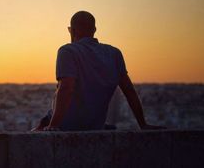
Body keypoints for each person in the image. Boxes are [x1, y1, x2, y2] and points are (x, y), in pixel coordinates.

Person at [32, 11, 164, 131]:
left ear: (72, 30)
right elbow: (129, 92)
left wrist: (53, 125)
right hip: (95, 125)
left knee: (36, 133)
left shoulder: (68, 51)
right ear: (94, 30)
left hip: (64, 125)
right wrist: (143, 124)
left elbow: (66, 87)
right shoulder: (114, 53)